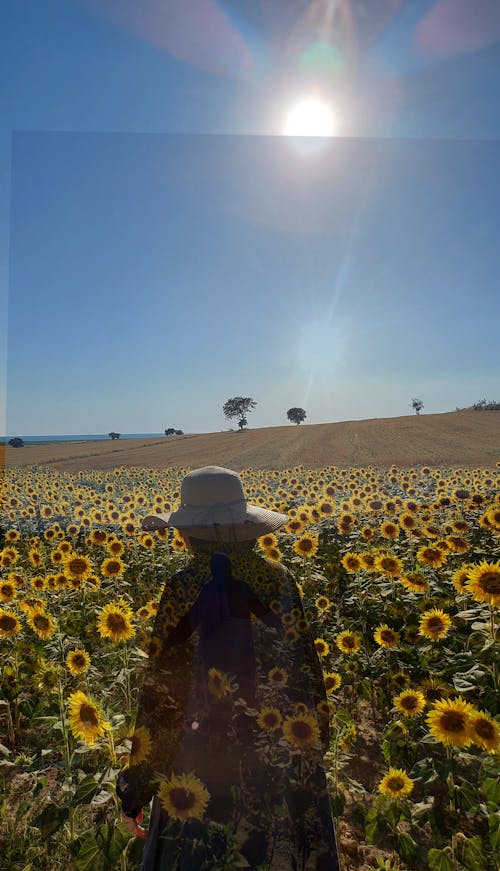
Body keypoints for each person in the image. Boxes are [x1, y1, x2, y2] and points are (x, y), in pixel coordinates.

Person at [117, 465, 340, 870]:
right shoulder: (281, 580)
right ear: (242, 525)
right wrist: (315, 743)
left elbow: (163, 698)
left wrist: (136, 788)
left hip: (200, 764)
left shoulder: (184, 587)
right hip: (279, 758)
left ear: (187, 532)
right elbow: (307, 668)